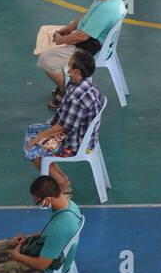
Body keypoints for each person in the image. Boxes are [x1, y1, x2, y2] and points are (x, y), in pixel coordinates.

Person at [36, 0, 127, 98]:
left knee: (45, 59)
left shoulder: (107, 8)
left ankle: (66, 93)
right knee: (57, 38)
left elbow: (83, 36)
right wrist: (67, 30)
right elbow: (87, 16)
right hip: (95, 40)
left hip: (90, 48)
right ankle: (65, 82)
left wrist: (61, 40)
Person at [23, 48, 104, 191]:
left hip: (73, 142)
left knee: (31, 149)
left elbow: (63, 127)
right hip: (82, 133)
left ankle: (62, 182)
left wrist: (42, 136)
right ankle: (59, 175)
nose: (67, 68)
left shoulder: (77, 95)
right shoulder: (83, 83)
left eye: (70, 65)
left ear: (77, 71)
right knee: (31, 130)